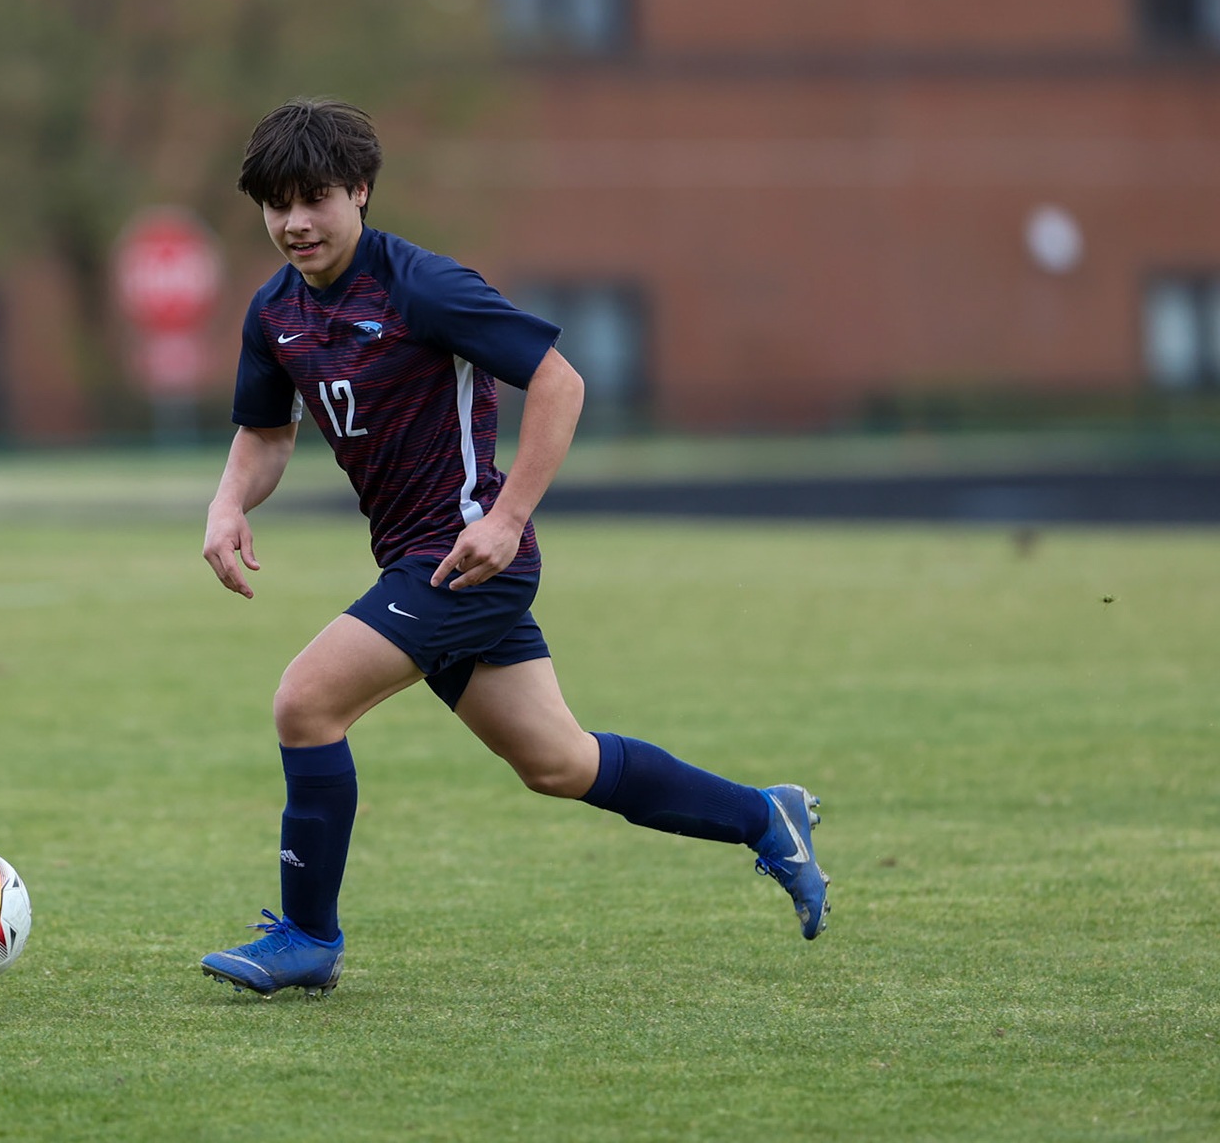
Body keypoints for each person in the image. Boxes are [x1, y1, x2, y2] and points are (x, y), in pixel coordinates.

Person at [198, 98, 830, 999]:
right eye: (276, 204)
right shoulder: (275, 312)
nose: (294, 223)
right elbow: (265, 436)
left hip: (464, 558)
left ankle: (307, 937)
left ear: (361, 193)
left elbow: (558, 381)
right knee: (559, 763)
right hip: (428, 564)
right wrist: (227, 505)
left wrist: (505, 519)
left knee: (305, 702)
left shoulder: (420, 286)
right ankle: (765, 817)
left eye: (316, 199)